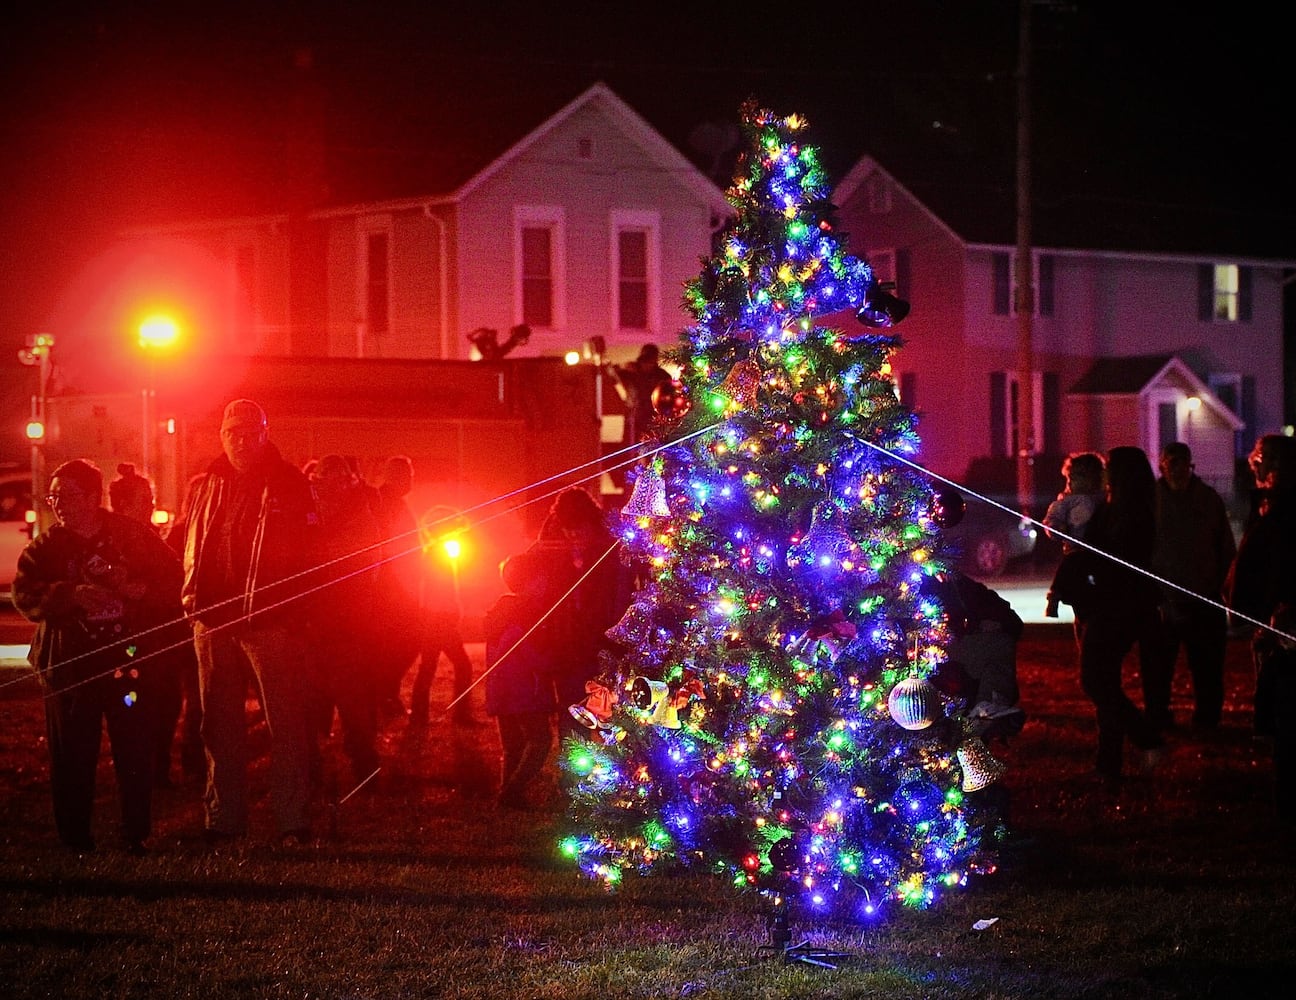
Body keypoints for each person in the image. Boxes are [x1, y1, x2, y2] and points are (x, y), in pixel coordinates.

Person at [12, 459, 182, 854]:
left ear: (92, 496)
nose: (58, 504)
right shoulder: (47, 547)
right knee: (71, 756)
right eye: (53, 496)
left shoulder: (133, 537)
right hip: (71, 669)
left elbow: (174, 578)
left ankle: (134, 833)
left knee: (134, 751)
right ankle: (75, 838)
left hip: (129, 663)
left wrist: (139, 589)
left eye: (67, 495)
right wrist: (71, 595)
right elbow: (25, 594)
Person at [181, 399, 319, 846]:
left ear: (265, 432)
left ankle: (292, 820)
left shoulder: (289, 483)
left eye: (250, 432)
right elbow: (192, 541)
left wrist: (297, 612)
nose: (241, 440)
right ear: (222, 434)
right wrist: (192, 602)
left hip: (271, 620)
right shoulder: (207, 483)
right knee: (218, 725)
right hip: (214, 619)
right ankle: (224, 820)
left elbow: (314, 553)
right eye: (232, 432)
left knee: (286, 724)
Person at [1070, 446, 1165, 790]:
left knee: (1095, 679)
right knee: (1104, 682)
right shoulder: (1110, 509)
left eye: (1110, 467)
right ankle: (1108, 763)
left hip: (1120, 608)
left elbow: (1118, 560)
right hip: (1105, 605)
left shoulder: (1134, 514)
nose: (1105, 473)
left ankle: (1147, 738)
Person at [1141, 442, 1237, 733]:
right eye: (1171, 462)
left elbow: (1224, 547)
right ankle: (1158, 716)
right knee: (1157, 667)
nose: (1177, 468)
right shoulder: (1151, 500)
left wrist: (1220, 587)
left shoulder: (1207, 500)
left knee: (1207, 666)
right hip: (1161, 600)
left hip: (1203, 598)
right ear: (1162, 465)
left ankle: (1207, 719)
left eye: (1182, 462)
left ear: (1190, 465)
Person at [108, 463, 192, 789]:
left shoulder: (154, 538)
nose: (151, 505)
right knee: (133, 703)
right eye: (144, 499)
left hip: (164, 639)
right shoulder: (114, 542)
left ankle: (158, 765)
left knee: (167, 703)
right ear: (123, 503)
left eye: (151, 497)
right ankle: (138, 768)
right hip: (131, 640)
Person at [1226, 434, 1296, 821]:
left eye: (1263, 458)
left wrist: (1276, 612)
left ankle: (1286, 807)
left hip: (1282, 626)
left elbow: (1273, 564)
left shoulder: (1283, 509)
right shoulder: (1266, 506)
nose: (1255, 463)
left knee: (1286, 715)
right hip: (1268, 623)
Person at [529, 487, 632, 738]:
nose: (574, 535)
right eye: (568, 529)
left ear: (591, 523)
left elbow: (617, 600)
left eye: (579, 528)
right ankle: (571, 772)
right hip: (566, 651)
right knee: (571, 718)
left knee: (603, 718)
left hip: (599, 649)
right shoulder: (555, 555)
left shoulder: (609, 556)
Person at [307, 455, 382, 787]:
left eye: (338, 480)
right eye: (324, 479)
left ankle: (364, 766)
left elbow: (363, 563)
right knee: (312, 703)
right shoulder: (310, 510)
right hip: (313, 623)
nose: (329, 486)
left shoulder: (358, 515)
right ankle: (313, 766)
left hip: (346, 623)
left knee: (352, 702)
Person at [483, 551, 557, 809]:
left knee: (513, 745)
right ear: (531, 581)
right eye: (543, 579)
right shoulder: (528, 613)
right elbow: (528, 653)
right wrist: (549, 667)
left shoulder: (501, 611)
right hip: (525, 687)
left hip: (501, 688)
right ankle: (512, 790)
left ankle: (507, 794)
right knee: (540, 740)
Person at [410, 506, 475, 728]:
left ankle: (418, 718)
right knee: (463, 666)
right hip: (440, 618)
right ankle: (461, 715)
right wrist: (452, 611)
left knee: (428, 667)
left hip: (434, 618)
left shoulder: (434, 552)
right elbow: (441, 589)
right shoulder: (439, 554)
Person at [163, 473, 208, 783]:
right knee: (196, 697)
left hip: (193, 626)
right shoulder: (182, 534)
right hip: (186, 628)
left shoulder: (185, 532)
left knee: (197, 698)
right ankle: (193, 758)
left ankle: (194, 757)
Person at [371, 455, 422, 721]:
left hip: (396, 586)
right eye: (409, 475)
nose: (412, 481)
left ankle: (386, 694)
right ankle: (384, 693)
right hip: (390, 588)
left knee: (398, 642)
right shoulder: (385, 502)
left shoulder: (393, 502)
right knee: (403, 640)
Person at [1043, 451, 1105, 619]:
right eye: (1069, 477)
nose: (1070, 482)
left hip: (1098, 550)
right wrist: (1057, 528)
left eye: (1077, 477)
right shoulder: (1066, 501)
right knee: (1070, 565)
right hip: (1076, 546)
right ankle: (1054, 596)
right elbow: (1051, 520)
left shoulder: (1102, 498)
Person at [610, 344, 672, 448]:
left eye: (649, 360)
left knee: (653, 448)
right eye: (645, 361)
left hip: (654, 418)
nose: (647, 364)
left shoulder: (662, 376)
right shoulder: (632, 372)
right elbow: (615, 376)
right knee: (632, 448)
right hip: (636, 418)